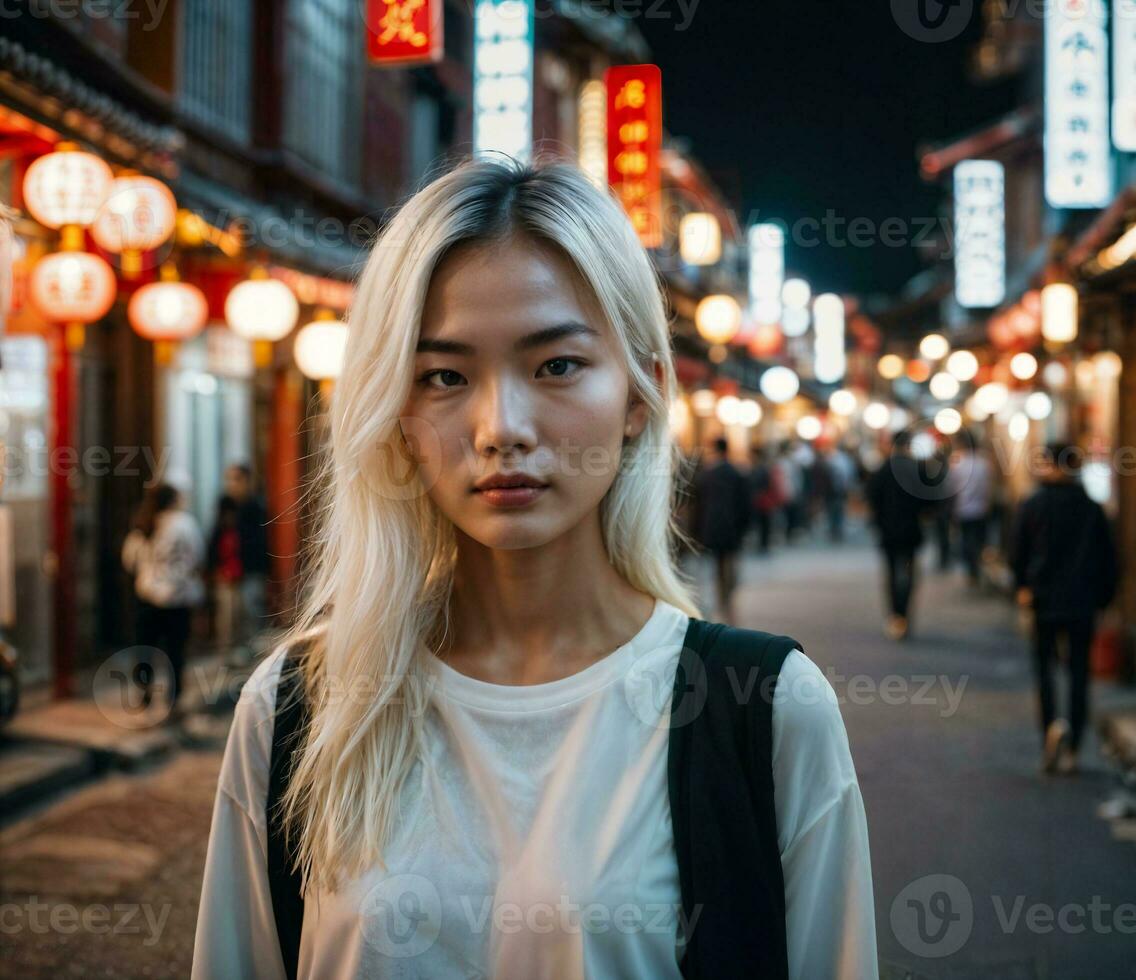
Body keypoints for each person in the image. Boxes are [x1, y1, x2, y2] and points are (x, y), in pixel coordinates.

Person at [192, 159, 878, 979]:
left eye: (556, 366)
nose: (500, 428)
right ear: (398, 415)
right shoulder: (298, 709)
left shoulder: (764, 710)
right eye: (444, 376)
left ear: (642, 395)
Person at [1010, 442, 1118, 775]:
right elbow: (1109, 559)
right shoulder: (1091, 508)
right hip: (1082, 602)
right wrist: (1103, 600)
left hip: (1044, 602)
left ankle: (1049, 736)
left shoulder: (1032, 505)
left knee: (1044, 672)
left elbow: (1017, 555)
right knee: (1078, 674)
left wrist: (1022, 589)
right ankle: (1073, 747)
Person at [121, 482, 205, 718]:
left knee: (145, 647)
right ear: (174, 499)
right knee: (175, 650)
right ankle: (173, 699)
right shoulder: (185, 523)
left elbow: (129, 560)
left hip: (147, 596)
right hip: (179, 598)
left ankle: (144, 694)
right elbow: (198, 554)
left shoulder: (144, 523)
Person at [865, 430, 930, 640]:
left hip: (888, 531)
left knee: (892, 573)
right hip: (911, 530)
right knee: (910, 572)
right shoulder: (918, 469)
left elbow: (871, 498)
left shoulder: (883, 469)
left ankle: (895, 616)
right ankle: (904, 613)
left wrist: (878, 520)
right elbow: (931, 500)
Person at [691, 437, 752, 623]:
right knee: (729, 566)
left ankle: (720, 599)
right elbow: (745, 504)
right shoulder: (737, 473)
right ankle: (726, 599)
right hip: (732, 529)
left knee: (715, 567)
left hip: (711, 528)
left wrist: (697, 530)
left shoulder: (707, 475)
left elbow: (697, 505)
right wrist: (744, 527)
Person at [221, 463, 269, 645]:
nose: (232, 484)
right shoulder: (225, 505)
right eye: (229, 480)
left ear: (247, 481)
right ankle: (232, 652)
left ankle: (253, 651)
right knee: (229, 616)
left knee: (252, 611)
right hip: (228, 571)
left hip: (251, 569)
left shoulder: (256, 507)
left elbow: (259, 542)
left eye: (237, 479)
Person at [946, 436, 994, 585]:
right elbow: (989, 486)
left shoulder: (957, 464)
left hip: (963, 509)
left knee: (966, 540)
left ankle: (972, 571)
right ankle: (978, 566)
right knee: (980, 539)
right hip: (981, 508)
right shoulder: (984, 463)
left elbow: (951, 488)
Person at [207, 494, 246, 654]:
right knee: (225, 617)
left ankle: (240, 649)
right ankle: (226, 650)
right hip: (223, 579)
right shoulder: (218, 532)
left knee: (240, 615)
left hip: (240, 578)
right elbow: (212, 557)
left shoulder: (240, 530)